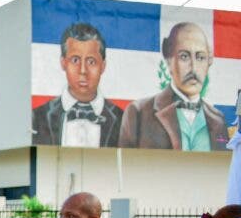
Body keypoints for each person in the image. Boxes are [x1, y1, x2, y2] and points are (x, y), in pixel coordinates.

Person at [119, 22, 228, 151]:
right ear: (168, 60)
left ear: (209, 62)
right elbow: (124, 168)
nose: (193, 68)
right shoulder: (138, 113)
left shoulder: (218, 120)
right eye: (184, 56)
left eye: (200, 57)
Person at [31, 23, 123, 148]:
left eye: (91, 61)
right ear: (63, 63)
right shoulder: (37, 117)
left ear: (103, 66)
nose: (83, 70)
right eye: (75, 60)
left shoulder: (123, 120)